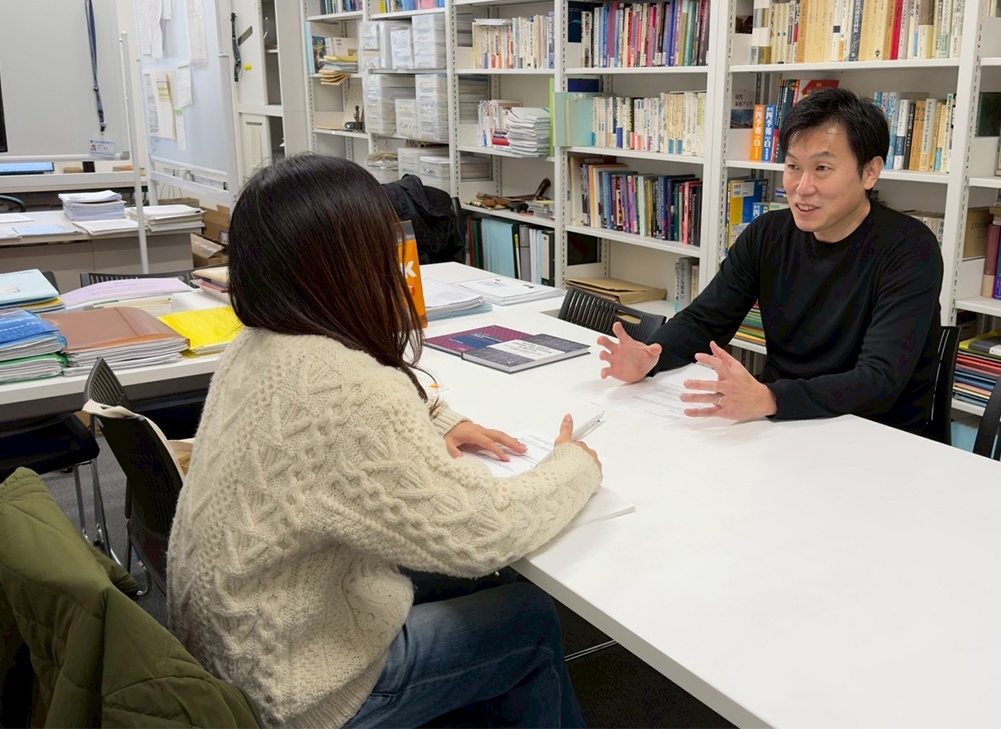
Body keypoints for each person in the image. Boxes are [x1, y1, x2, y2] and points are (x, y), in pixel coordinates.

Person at [167, 154, 602, 729]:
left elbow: (328, 437)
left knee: (455, 578)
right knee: (529, 617)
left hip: (227, 648)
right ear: (357, 262)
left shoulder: (256, 345)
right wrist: (574, 466)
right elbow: (482, 532)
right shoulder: (349, 389)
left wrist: (439, 421)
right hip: (294, 692)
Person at [598, 87, 943, 434]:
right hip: (781, 422)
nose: (802, 187)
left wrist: (771, 398)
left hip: (876, 434)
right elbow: (706, 319)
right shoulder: (769, 233)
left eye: (822, 168)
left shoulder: (910, 249)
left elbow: (879, 380)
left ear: (870, 172)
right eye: (793, 166)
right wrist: (652, 355)